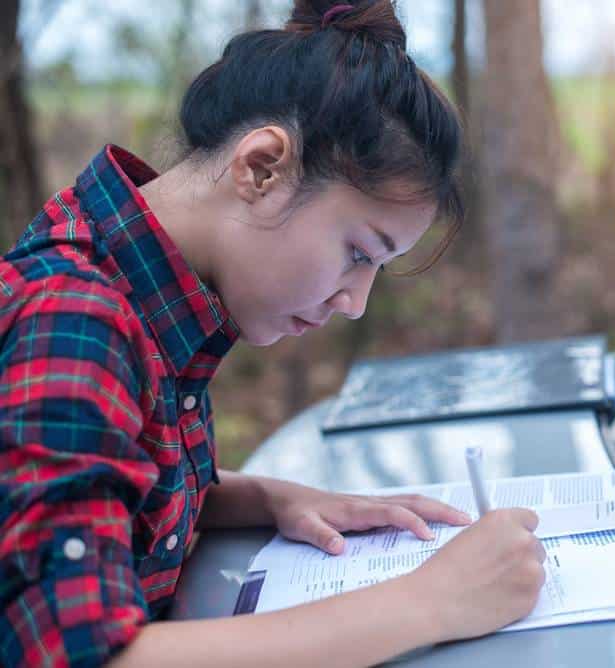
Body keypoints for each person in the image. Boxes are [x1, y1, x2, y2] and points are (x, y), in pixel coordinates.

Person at [0, 2, 546, 666]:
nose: (354, 302)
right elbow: (80, 655)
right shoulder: (74, 321)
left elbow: (107, 486)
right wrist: (432, 602)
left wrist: (266, 496)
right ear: (260, 168)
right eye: (357, 253)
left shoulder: (133, 281)